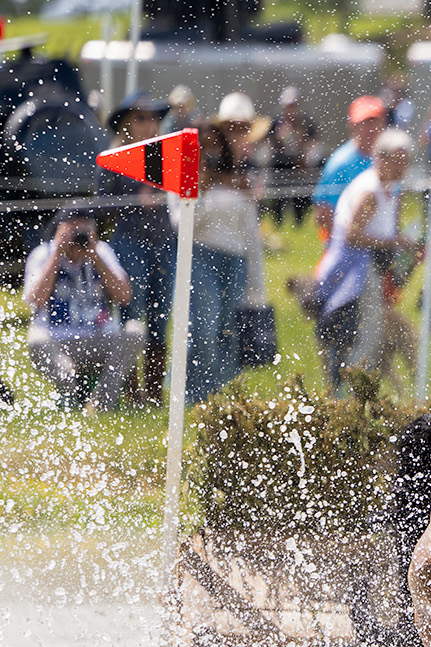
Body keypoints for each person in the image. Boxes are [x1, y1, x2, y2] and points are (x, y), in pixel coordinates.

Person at [312, 130, 419, 392]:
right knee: (368, 336)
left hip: (367, 268)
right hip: (354, 270)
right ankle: (349, 391)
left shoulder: (389, 188)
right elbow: (351, 234)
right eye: (399, 159)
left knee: (364, 335)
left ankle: (350, 388)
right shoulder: (370, 190)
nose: (404, 166)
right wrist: (394, 242)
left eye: (406, 160)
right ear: (381, 158)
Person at [179, 123, 267, 402]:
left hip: (236, 261)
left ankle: (225, 394)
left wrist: (257, 283)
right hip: (201, 257)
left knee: (229, 329)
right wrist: (201, 192)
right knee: (204, 328)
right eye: (203, 146)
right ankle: (197, 395)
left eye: (215, 145)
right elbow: (182, 227)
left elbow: (250, 233)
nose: (210, 152)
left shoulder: (238, 180)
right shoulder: (186, 178)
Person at [22, 208, 142, 412]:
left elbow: (124, 296)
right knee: (36, 340)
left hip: (98, 337)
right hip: (57, 340)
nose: (78, 238)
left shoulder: (102, 252)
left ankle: (101, 403)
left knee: (135, 331)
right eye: (73, 231)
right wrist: (57, 253)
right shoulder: (43, 254)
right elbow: (35, 300)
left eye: (83, 232)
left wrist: (95, 257)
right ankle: (71, 399)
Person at [100, 91, 174, 403]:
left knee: (161, 316)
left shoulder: (168, 154)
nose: (149, 123)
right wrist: (131, 202)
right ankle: (131, 392)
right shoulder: (113, 160)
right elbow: (101, 208)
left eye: (154, 117)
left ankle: (154, 393)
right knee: (132, 312)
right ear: (126, 124)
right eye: (141, 117)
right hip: (128, 242)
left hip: (165, 243)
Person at [313, 96, 387, 233]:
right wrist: (341, 245)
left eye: (375, 122)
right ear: (352, 125)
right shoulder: (339, 163)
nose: (371, 128)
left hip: (380, 243)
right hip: (350, 245)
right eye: (365, 123)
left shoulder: (387, 160)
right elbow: (323, 211)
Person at [263, 87, 321, 229]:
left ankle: (299, 222)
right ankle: (278, 222)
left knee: (300, 196)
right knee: (278, 195)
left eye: (293, 106)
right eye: (287, 106)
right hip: (280, 163)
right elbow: (268, 141)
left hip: (299, 164)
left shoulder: (305, 122)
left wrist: (302, 146)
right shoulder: (276, 122)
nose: (290, 110)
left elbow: (314, 142)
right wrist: (279, 139)